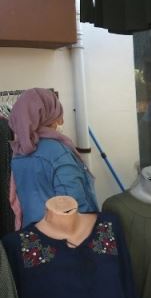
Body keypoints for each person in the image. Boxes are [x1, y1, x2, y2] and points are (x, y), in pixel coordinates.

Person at [9, 88, 98, 225]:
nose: (60, 121)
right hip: (63, 233)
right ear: (47, 116)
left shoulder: (19, 152)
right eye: (57, 114)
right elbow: (74, 206)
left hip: (32, 231)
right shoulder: (58, 153)